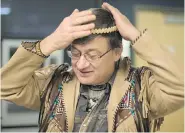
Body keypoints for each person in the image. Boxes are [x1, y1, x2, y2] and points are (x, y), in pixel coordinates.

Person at [1, 2, 184, 132]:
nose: (80, 64)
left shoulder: (142, 88)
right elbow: (6, 86)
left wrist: (136, 36)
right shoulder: (54, 83)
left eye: (93, 55)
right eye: (76, 53)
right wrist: (50, 43)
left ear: (117, 52)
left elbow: (180, 89)